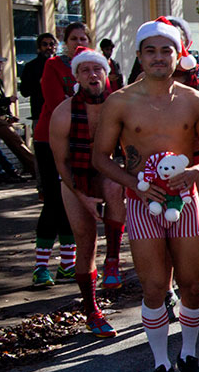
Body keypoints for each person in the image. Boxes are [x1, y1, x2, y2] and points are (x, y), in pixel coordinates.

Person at [90, 18, 199, 372]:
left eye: (167, 50)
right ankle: (161, 364)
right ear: (139, 55)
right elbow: (102, 158)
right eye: (151, 50)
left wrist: (196, 170)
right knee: (152, 287)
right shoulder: (120, 101)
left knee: (193, 286)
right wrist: (137, 187)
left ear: (179, 54)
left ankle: (190, 355)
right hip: (141, 203)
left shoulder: (193, 99)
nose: (159, 57)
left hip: (184, 202)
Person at [48, 47, 126, 336]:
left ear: (106, 74)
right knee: (85, 241)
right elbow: (62, 164)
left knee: (117, 185)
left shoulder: (119, 105)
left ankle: (114, 260)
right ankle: (92, 310)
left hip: (108, 170)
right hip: (75, 178)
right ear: (76, 77)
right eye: (85, 71)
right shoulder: (64, 112)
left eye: (97, 70)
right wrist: (82, 196)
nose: (92, 75)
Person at [31, 22, 93, 288]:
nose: (78, 41)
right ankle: (40, 267)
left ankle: (67, 264)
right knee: (54, 200)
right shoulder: (54, 65)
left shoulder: (93, 66)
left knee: (74, 199)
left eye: (83, 37)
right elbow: (57, 102)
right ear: (64, 41)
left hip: (80, 142)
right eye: (73, 38)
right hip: (49, 138)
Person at [0, 51, 36, 172]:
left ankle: (24, 167)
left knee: (16, 139)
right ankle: (34, 168)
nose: (2, 64)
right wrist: (7, 100)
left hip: (1, 117)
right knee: (16, 141)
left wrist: (10, 115)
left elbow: (1, 101)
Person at [20, 32, 57, 150]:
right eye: (45, 44)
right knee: (42, 148)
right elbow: (24, 91)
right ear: (39, 47)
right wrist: (40, 83)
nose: (48, 47)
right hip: (39, 113)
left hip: (61, 112)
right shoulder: (31, 66)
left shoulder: (62, 65)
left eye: (51, 44)